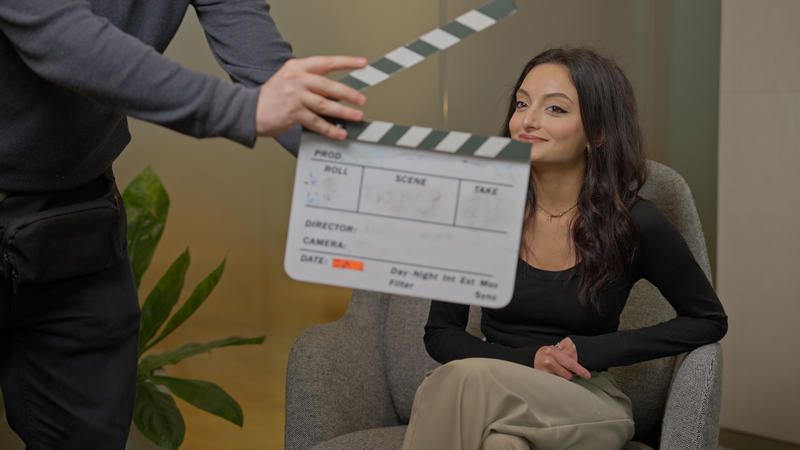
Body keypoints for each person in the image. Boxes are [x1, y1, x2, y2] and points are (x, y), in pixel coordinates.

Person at [0, 0, 367, 448]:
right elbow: (62, 38)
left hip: (75, 224)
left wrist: (375, 181)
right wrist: (243, 110)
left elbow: (265, 66)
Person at [400, 47, 728, 450]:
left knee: (461, 379)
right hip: (494, 386)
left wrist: (594, 349)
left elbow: (708, 319)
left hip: (586, 400)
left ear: (598, 133)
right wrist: (531, 359)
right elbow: (441, 333)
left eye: (555, 109)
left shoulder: (634, 222)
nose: (528, 121)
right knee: (500, 444)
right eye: (522, 104)